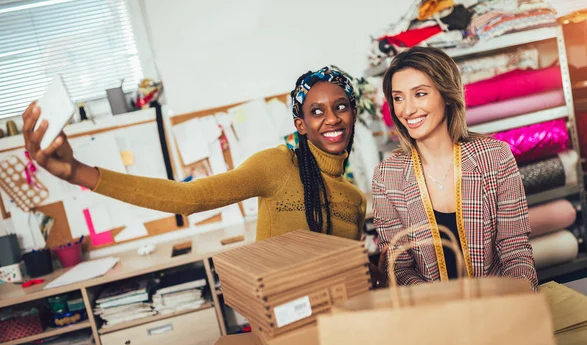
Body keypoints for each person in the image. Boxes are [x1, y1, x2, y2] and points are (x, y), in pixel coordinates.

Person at [21, 66, 366, 241]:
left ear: (353, 112)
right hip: (289, 331)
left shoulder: (354, 198)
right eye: (317, 111)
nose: (332, 118)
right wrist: (76, 172)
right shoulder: (277, 166)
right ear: (301, 124)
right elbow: (187, 197)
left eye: (340, 107)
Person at [372, 46, 538, 289]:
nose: (406, 110)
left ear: (447, 94)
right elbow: (399, 267)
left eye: (420, 94)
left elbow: (515, 251)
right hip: (434, 316)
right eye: (398, 97)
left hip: (500, 306)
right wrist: (441, 305)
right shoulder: (387, 177)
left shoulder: (495, 158)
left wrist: (512, 300)